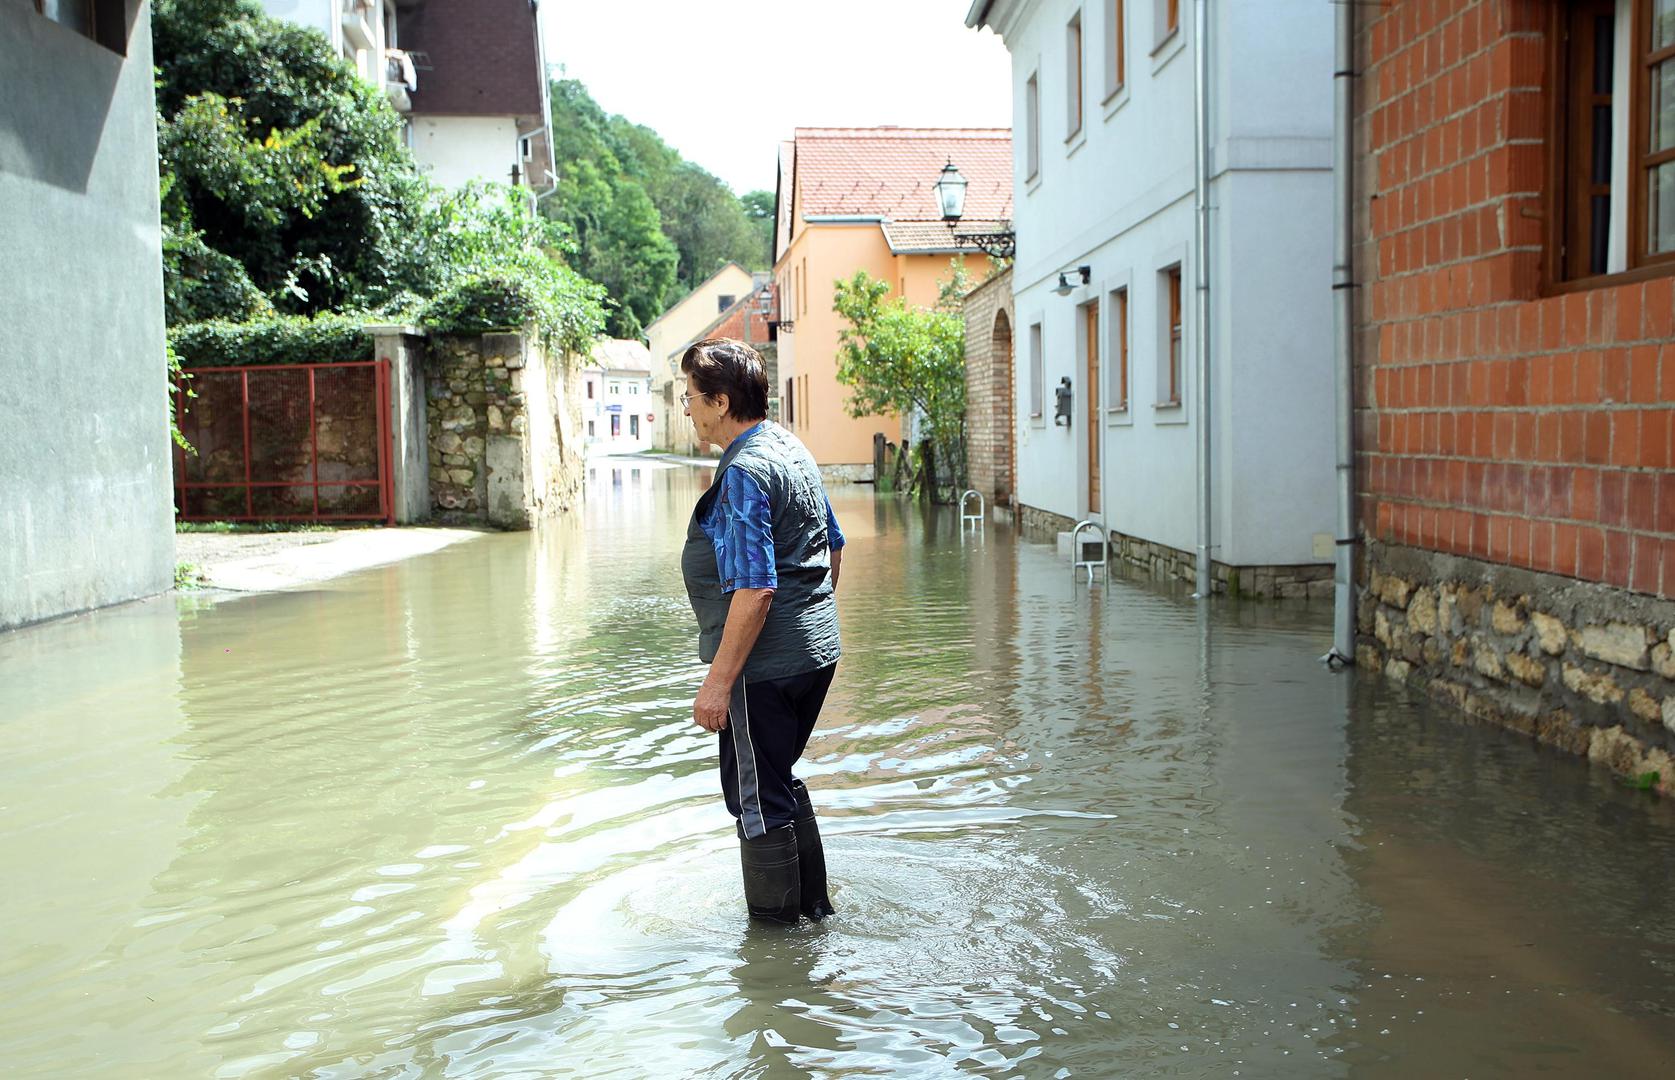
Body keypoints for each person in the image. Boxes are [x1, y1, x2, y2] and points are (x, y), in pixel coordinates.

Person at [678, 338, 844, 925]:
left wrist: (718, 684)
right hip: (814, 654)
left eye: (690, 396)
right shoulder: (790, 448)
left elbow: (755, 589)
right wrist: (809, 621)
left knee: (755, 802)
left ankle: (775, 948)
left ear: (720, 402)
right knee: (774, 782)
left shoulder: (746, 471)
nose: (686, 407)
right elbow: (833, 547)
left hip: (765, 667)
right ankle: (815, 913)